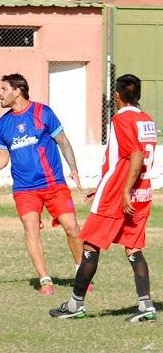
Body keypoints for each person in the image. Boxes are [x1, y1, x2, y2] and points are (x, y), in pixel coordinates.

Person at [0, 73, 85, 296]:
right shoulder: (2, 124)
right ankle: (45, 279)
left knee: (72, 227)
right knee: (30, 228)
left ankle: (81, 274)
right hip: (25, 189)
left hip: (53, 184)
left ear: (17, 91)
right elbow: (2, 157)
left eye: (3, 89)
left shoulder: (43, 113)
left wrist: (74, 170)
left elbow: (63, 141)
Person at [51, 74, 157, 322]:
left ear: (117, 96)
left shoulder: (121, 119)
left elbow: (135, 155)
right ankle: (146, 306)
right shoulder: (147, 120)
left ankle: (75, 304)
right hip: (142, 192)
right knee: (133, 249)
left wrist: (120, 190)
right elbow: (130, 158)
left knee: (90, 245)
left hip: (118, 195)